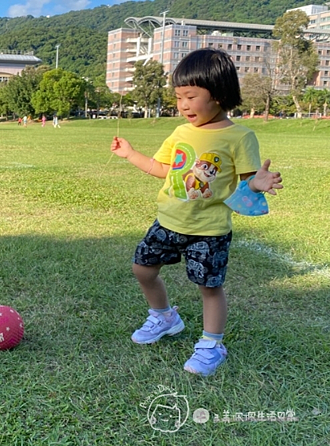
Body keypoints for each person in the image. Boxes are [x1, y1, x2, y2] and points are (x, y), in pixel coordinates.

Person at [110, 48, 282, 376]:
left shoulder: (240, 137)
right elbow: (164, 169)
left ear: (217, 94)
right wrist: (131, 155)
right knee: (142, 269)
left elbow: (246, 187)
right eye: (178, 97)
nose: (183, 105)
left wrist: (257, 184)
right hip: (168, 220)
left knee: (209, 287)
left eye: (190, 96)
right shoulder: (181, 133)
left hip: (209, 229)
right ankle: (164, 317)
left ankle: (211, 344)